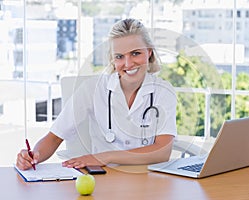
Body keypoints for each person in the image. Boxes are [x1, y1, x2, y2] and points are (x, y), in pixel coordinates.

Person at [16, 18, 177, 170]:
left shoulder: (163, 92)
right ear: (113, 60)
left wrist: (105, 157)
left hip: (147, 179)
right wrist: (34, 156)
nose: (128, 63)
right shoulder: (92, 89)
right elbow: (55, 136)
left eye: (135, 53)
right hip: (103, 177)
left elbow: (162, 152)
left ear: (149, 52)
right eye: (120, 56)